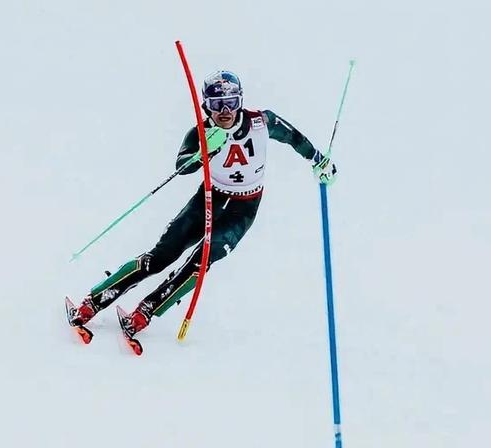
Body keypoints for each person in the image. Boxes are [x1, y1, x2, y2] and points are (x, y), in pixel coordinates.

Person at [68, 70, 337, 336]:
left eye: (230, 103)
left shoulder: (262, 122)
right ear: (206, 105)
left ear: (240, 101)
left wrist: (318, 159)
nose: (224, 111)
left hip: (242, 210)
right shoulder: (201, 131)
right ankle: (92, 303)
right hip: (209, 199)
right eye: (217, 104)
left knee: (201, 261)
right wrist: (205, 152)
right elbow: (181, 168)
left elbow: (294, 137)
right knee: (161, 256)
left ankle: (146, 312)